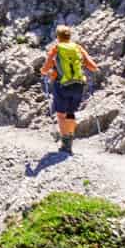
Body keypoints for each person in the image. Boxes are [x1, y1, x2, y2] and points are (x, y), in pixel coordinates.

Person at [42, 25, 100, 154]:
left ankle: (65, 144)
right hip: (78, 86)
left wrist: (50, 72)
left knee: (61, 115)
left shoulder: (56, 49)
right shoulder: (78, 48)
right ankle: (70, 140)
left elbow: (45, 69)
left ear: (57, 37)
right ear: (70, 36)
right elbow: (93, 66)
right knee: (70, 113)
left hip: (61, 86)